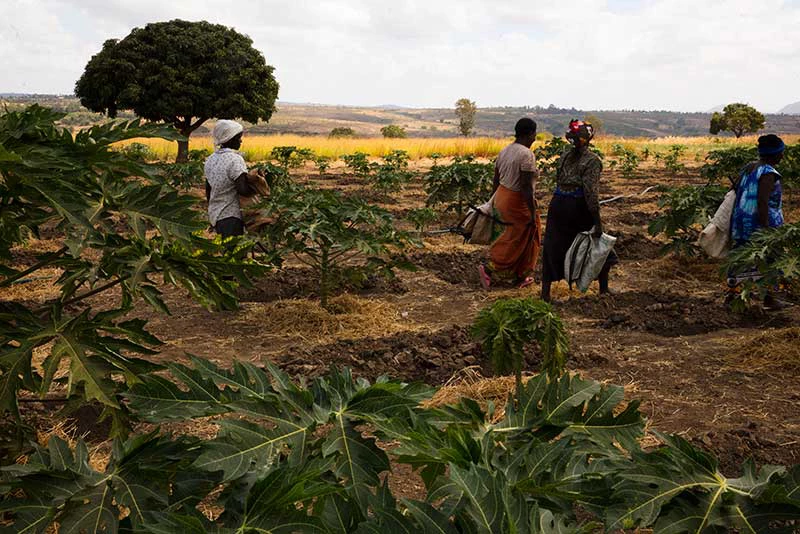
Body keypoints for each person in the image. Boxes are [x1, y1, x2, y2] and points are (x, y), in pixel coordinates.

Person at [540, 120, 616, 302]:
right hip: (578, 207)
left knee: (553, 246)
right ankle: (603, 289)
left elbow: (559, 181)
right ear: (588, 139)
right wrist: (597, 221)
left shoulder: (565, 157)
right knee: (598, 245)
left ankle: (545, 294)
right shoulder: (592, 161)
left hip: (558, 205)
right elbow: (591, 193)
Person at [477, 118, 541, 289]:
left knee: (509, 235)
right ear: (529, 134)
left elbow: (496, 180)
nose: (535, 137)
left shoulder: (505, 151)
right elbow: (526, 186)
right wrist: (532, 211)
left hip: (501, 197)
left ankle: (518, 276)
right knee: (525, 236)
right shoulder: (526, 155)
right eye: (534, 133)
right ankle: (491, 269)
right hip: (516, 200)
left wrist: (492, 202)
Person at [727, 134, 786, 308]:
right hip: (760, 225)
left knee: (740, 259)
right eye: (781, 152)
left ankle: (733, 297)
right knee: (769, 260)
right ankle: (769, 299)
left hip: (741, 223)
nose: (782, 156)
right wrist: (766, 228)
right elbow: (762, 201)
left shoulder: (749, 168)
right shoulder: (768, 173)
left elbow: (734, 189)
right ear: (774, 154)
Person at [204, 120, 263, 237]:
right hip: (231, 215)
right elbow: (243, 190)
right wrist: (258, 185)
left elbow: (208, 189)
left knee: (222, 251)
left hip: (215, 214)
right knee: (234, 252)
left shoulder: (210, 159)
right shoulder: (235, 159)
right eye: (238, 137)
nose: (241, 140)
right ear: (229, 139)